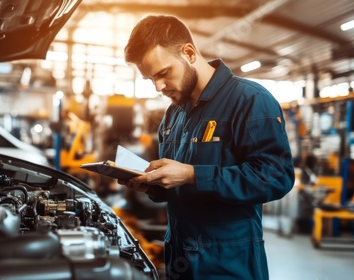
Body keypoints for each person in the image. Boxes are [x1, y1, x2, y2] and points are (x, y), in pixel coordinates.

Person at [121, 15, 294, 279]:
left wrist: (192, 174)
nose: (158, 87)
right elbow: (182, 185)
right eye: (149, 79)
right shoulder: (173, 116)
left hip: (228, 263)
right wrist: (152, 186)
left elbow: (276, 176)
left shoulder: (250, 100)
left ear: (189, 52)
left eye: (163, 73)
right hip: (180, 255)